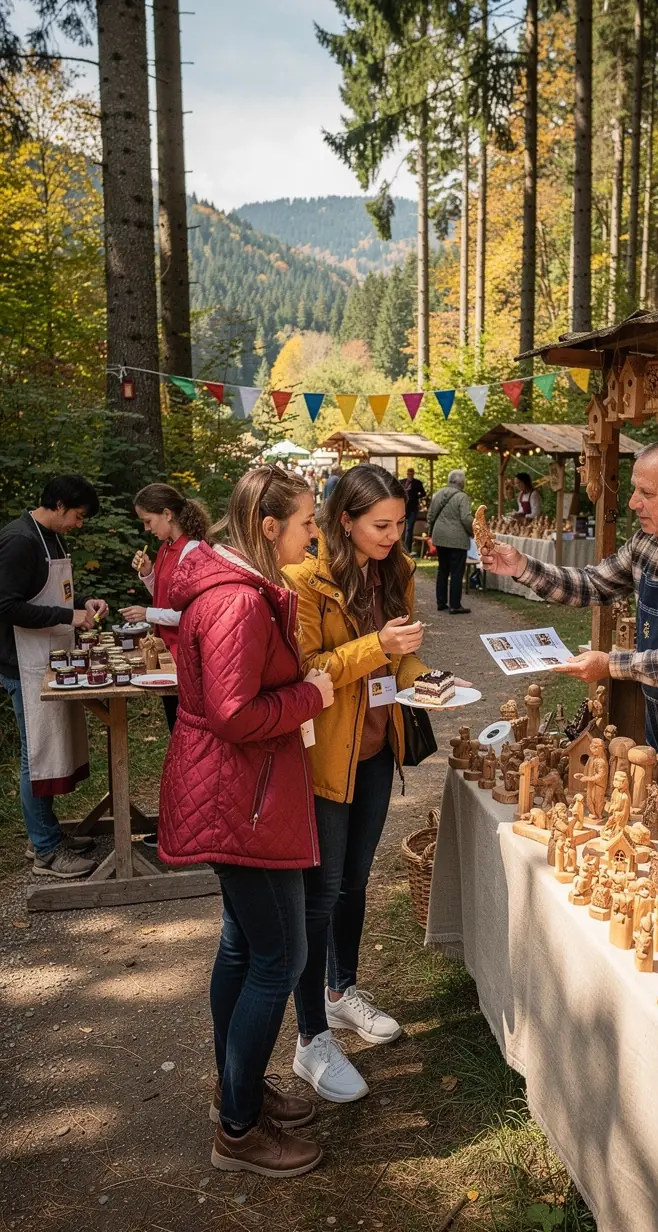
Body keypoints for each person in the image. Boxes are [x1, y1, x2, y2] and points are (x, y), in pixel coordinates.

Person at [158, 465, 334, 1178]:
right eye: (306, 522)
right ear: (269, 527)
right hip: (243, 802)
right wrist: (311, 695)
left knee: (243, 944)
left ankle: (238, 1087)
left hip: (246, 796)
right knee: (278, 959)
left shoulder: (246, 591)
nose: (314, 533)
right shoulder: (237, 603)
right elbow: (233, 713)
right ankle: (237, 1128)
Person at [482, 438, 658, 806]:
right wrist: (522, 567)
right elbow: (593, 583)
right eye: (635, 489)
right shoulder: (647, 544)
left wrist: (611, 665)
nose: (633, 502)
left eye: (646, 493)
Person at [285, 464, 430, 1102]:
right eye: (380, 525)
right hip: (325, 758)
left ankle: (342, 992)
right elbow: (309, 671)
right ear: (344, 521)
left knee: (354, 883)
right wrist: (378, 644)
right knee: (319, 895)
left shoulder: (395, 572)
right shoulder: (304, 582)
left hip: (374, 748)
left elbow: (402, 655)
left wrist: (425, 676)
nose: (393, 536)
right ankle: (310, 1038)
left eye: (400, 524)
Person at [0, 476, 109, 878]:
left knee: (48, 754)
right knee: (38, 757)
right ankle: (46, 851)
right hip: (22, 664)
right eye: (78, 517)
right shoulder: (19, 541)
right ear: (60, 505)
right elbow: (5, 605)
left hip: (49, 658)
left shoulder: (51, 538)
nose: (79, 525)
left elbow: (51, 594)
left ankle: (44, 836)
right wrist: (68, 616)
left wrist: (83, 603)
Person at [120, 483, 211, 731]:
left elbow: (189, 614)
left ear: (167, 514)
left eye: (148, 521)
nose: (146, 528)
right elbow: (168, 597)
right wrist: (148, 574)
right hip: (169, 651)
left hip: (186, 654)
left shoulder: (191, 550)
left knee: (187, 725)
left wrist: (146, 613)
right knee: (175, 722)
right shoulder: (166, 547)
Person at [427, 468, 473, 615]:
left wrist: (431, 532)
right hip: (457, 539)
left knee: (442, 570)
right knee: (456, 572)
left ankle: (441, 602)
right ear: (461, 482)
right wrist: (474, 531)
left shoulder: (438, 494)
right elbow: (466, 518)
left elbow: (431, 515)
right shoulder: (462, 497)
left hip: (440, 537)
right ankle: (454, 605)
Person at [401, 467, 427, 552]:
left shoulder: (417, 483)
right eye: (409, 474)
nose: (410, 475)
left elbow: (423, 493)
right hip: (403, 509)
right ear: (407, 473)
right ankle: (401, 548)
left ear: (413, 474)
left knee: (409, 529)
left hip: (413, 509)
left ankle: (407, 549)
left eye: (411, 474)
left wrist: (416, 496)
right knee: (402, 528)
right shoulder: (402, 482)